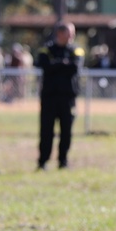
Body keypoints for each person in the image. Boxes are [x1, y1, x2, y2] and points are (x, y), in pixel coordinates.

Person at [36, 22, 85, 170]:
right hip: (49, 97)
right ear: (60, 33)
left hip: (68, 98)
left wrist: (57, 65)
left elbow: (74, 68)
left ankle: (63, 161)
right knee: (46, 131)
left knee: (66, 130)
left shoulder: (76, 51)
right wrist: (63, 64)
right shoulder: (46, 50)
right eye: (70, 33)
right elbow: (45, 66)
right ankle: (43, 161)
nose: (72, 36)